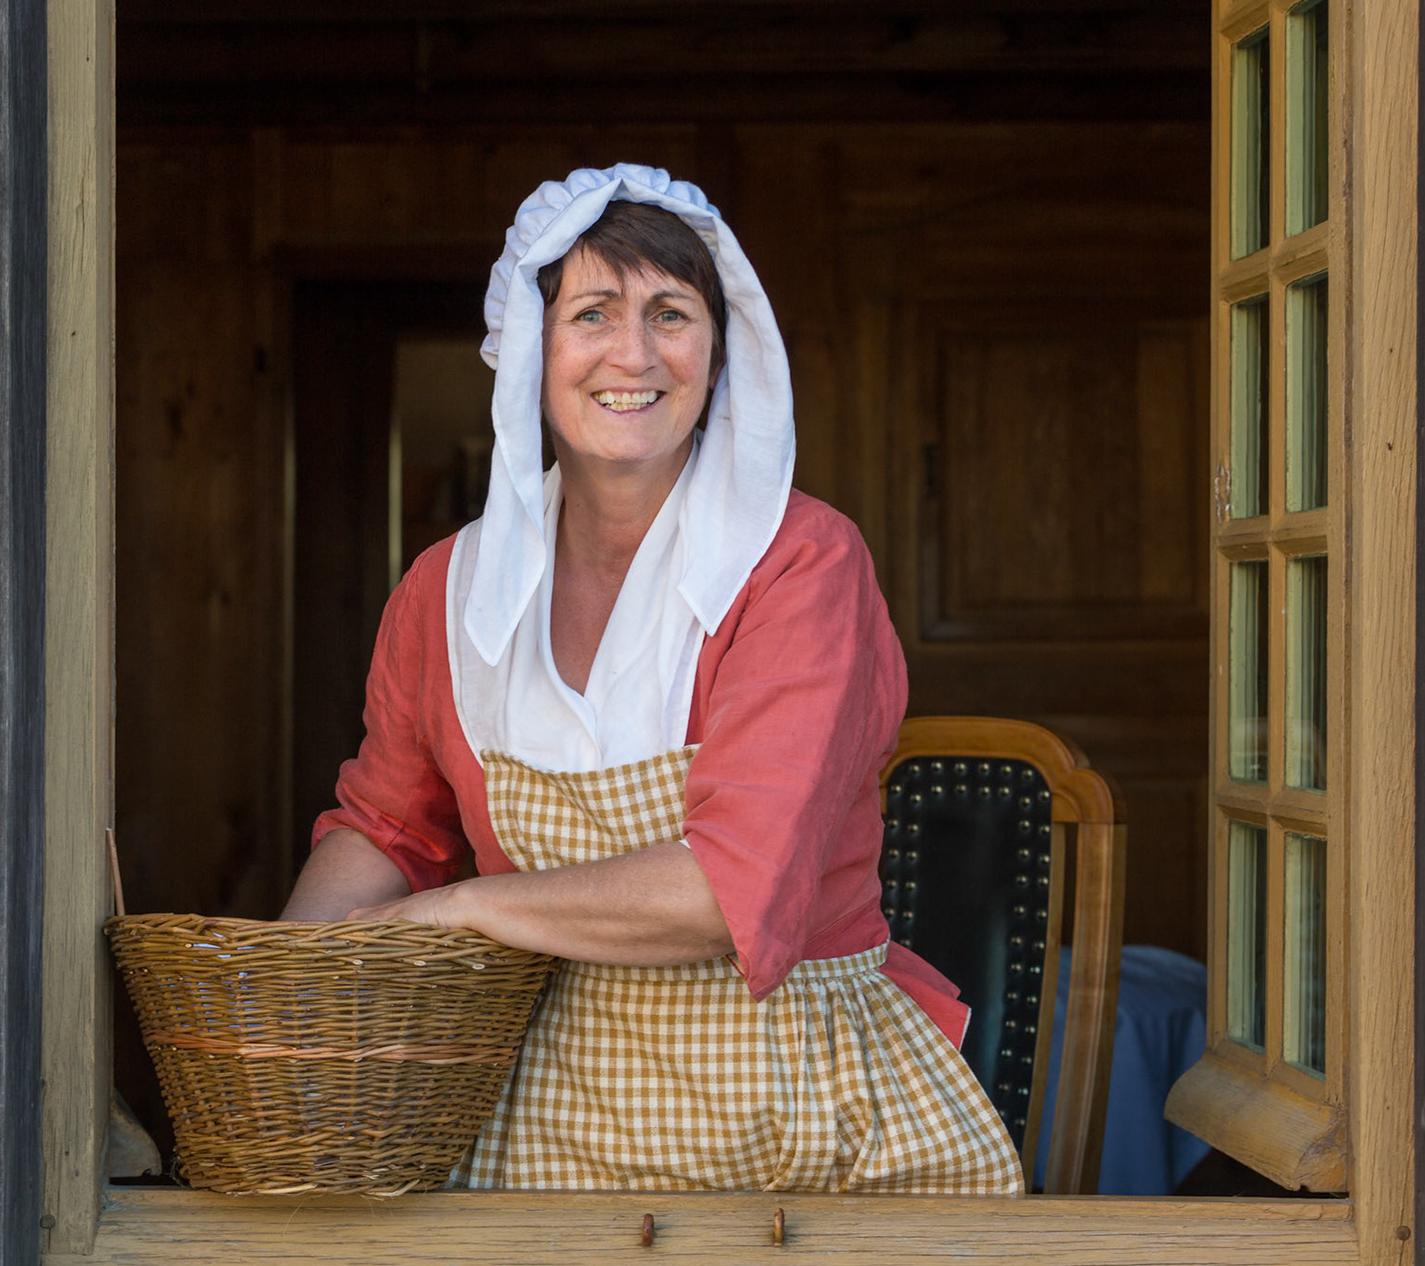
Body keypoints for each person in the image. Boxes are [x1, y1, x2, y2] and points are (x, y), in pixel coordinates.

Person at [282, 164, 1022, 1195]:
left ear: (720, 356)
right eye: (592, 312)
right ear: (527, 355)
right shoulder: (448, 589)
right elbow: (390, 826)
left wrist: (456, 911)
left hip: (796, 1110)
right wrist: (284, 987)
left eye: (670, 313)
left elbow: (729, 890)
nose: (633, 354)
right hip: (532, 1099)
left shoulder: (800, 566)